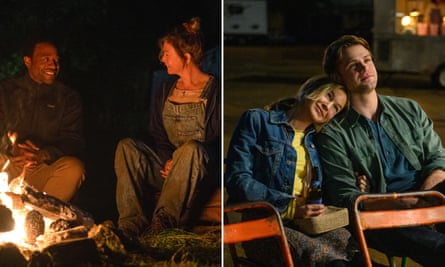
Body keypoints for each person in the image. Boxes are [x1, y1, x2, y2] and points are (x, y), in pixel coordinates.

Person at [317, 34, 445, 267]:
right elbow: (344, 195)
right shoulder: (333, 133)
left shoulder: (409, 109)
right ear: (337, 76)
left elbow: (437, 158)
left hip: (430, 195)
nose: (364, 67)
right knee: (438, 248)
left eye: (367, 60)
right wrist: (402, 204)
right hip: (382, 214)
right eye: (353, 65)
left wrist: (425, 197)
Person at [225, 75, 359, 267]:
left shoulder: (318, 142)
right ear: (310, 89)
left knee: (354, 249)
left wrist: (355, 181)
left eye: (335, 108)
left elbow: (326, 189)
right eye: (328, 96)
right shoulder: (257, 120)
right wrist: (290, 207)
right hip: (263, 226)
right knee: (326, 259)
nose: (328, 107)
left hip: (308, 225)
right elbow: (237, 179)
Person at [114, 17, 221, 240]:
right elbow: (158, 134)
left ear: (187, 57)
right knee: (126, 147)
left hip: (201, 169)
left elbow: (216, 140)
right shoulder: (165, 89)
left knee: (192, 149)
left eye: (167, 53)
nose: (162, 59)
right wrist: (167, 161)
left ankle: (162, 224)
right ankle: (130, 226)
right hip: (168, 167)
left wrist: (180, 160)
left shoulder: (216, 90)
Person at [0, 37, 85, 203]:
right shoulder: (5, 91)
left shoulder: (67, 97)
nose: (53, 66)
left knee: (74, 168)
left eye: (56, 60)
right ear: (28, 61)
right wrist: (12, 148)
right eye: (46, 59)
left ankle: (42, 216)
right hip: (9, 164)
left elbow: (73, 140)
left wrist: (44, 154)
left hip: (43, 168)